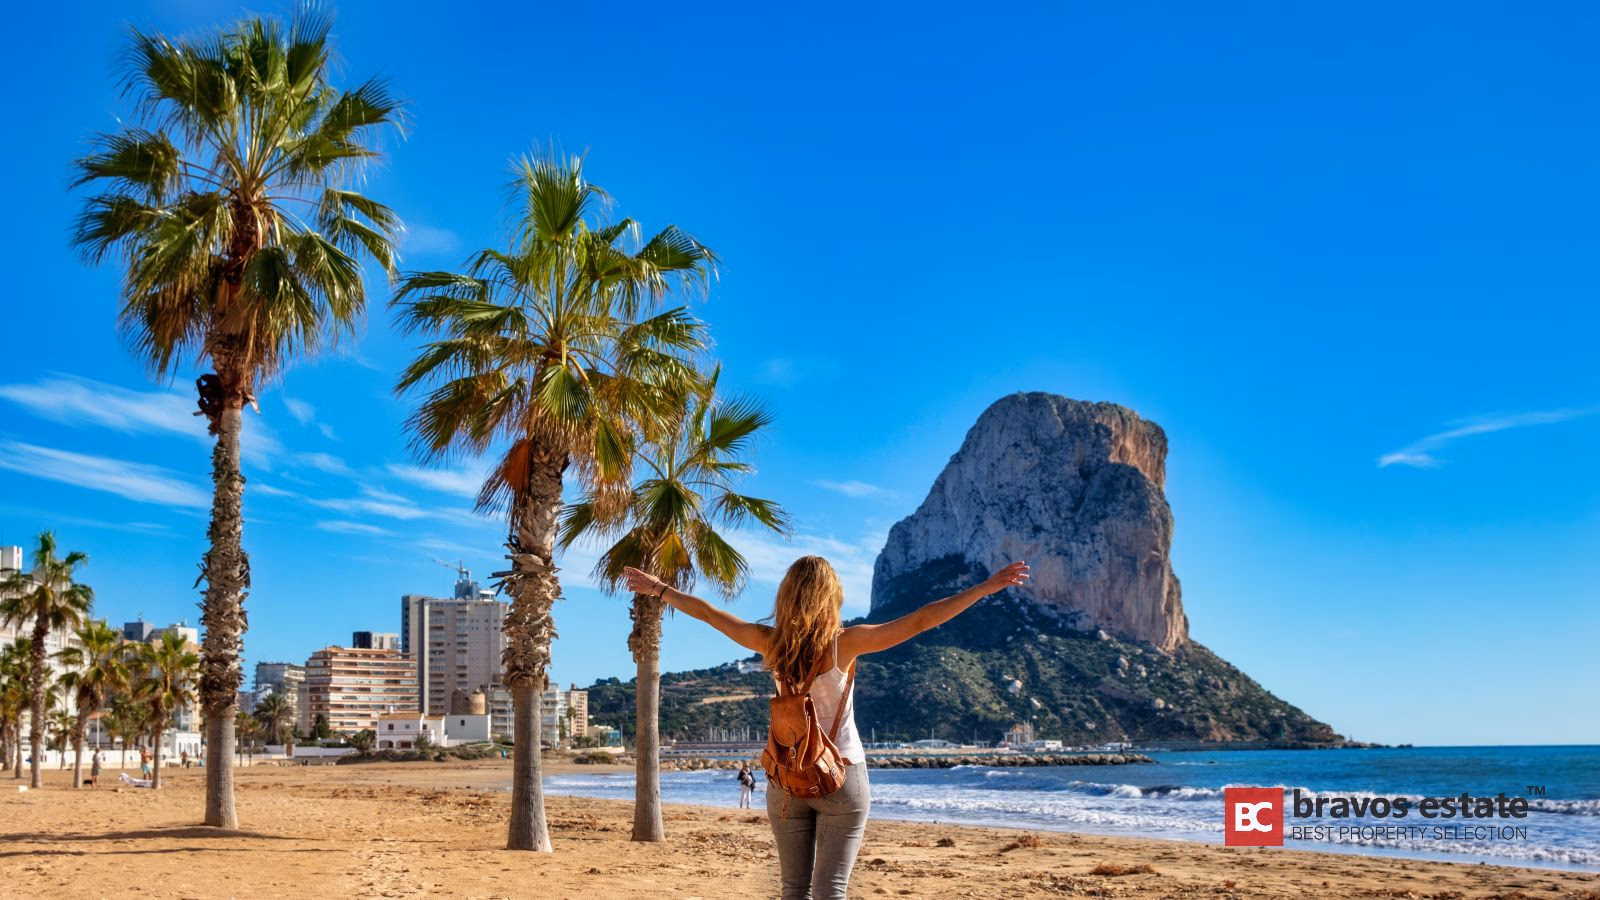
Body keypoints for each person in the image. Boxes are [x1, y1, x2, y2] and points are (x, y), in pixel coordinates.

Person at [623, 556, 1028, 900]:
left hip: (785, 778)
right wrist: (982, 588)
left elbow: (711, 614)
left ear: (787, 595)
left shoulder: (770, 642)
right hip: (842, 775)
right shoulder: (844, 644)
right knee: (831, 890)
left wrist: (660, 589)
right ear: (830, 597)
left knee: (792, 889)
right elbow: (921, 620)